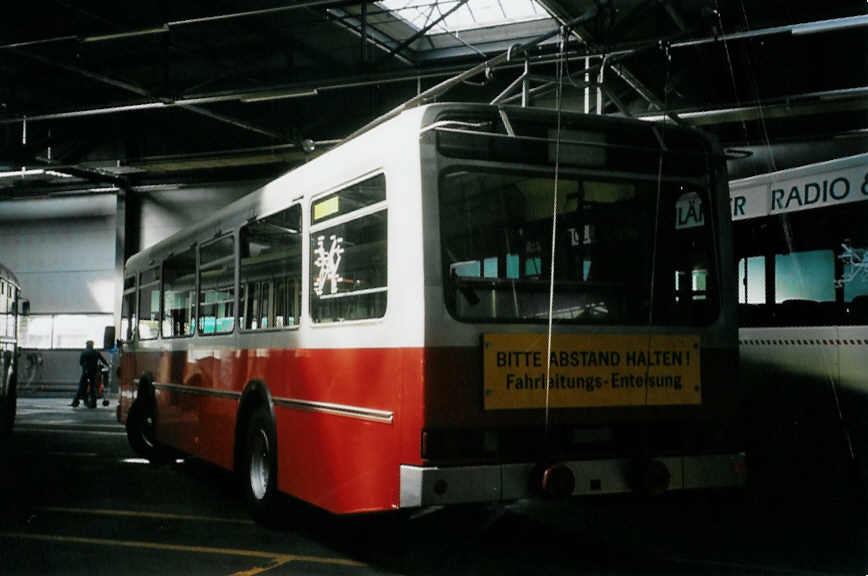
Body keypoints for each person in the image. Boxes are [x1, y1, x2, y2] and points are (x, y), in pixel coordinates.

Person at [71, 340, 109, 408]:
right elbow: (103, 360)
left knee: (81, 387)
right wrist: (108, 365)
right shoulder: (96, 352)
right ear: (92, 345)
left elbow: (81, 362)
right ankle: (93, 403)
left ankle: (75, 402)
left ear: (87, 345)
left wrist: (85, 367)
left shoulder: (84, 352)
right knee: (93, 388)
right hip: (94, 372)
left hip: (86, 372)